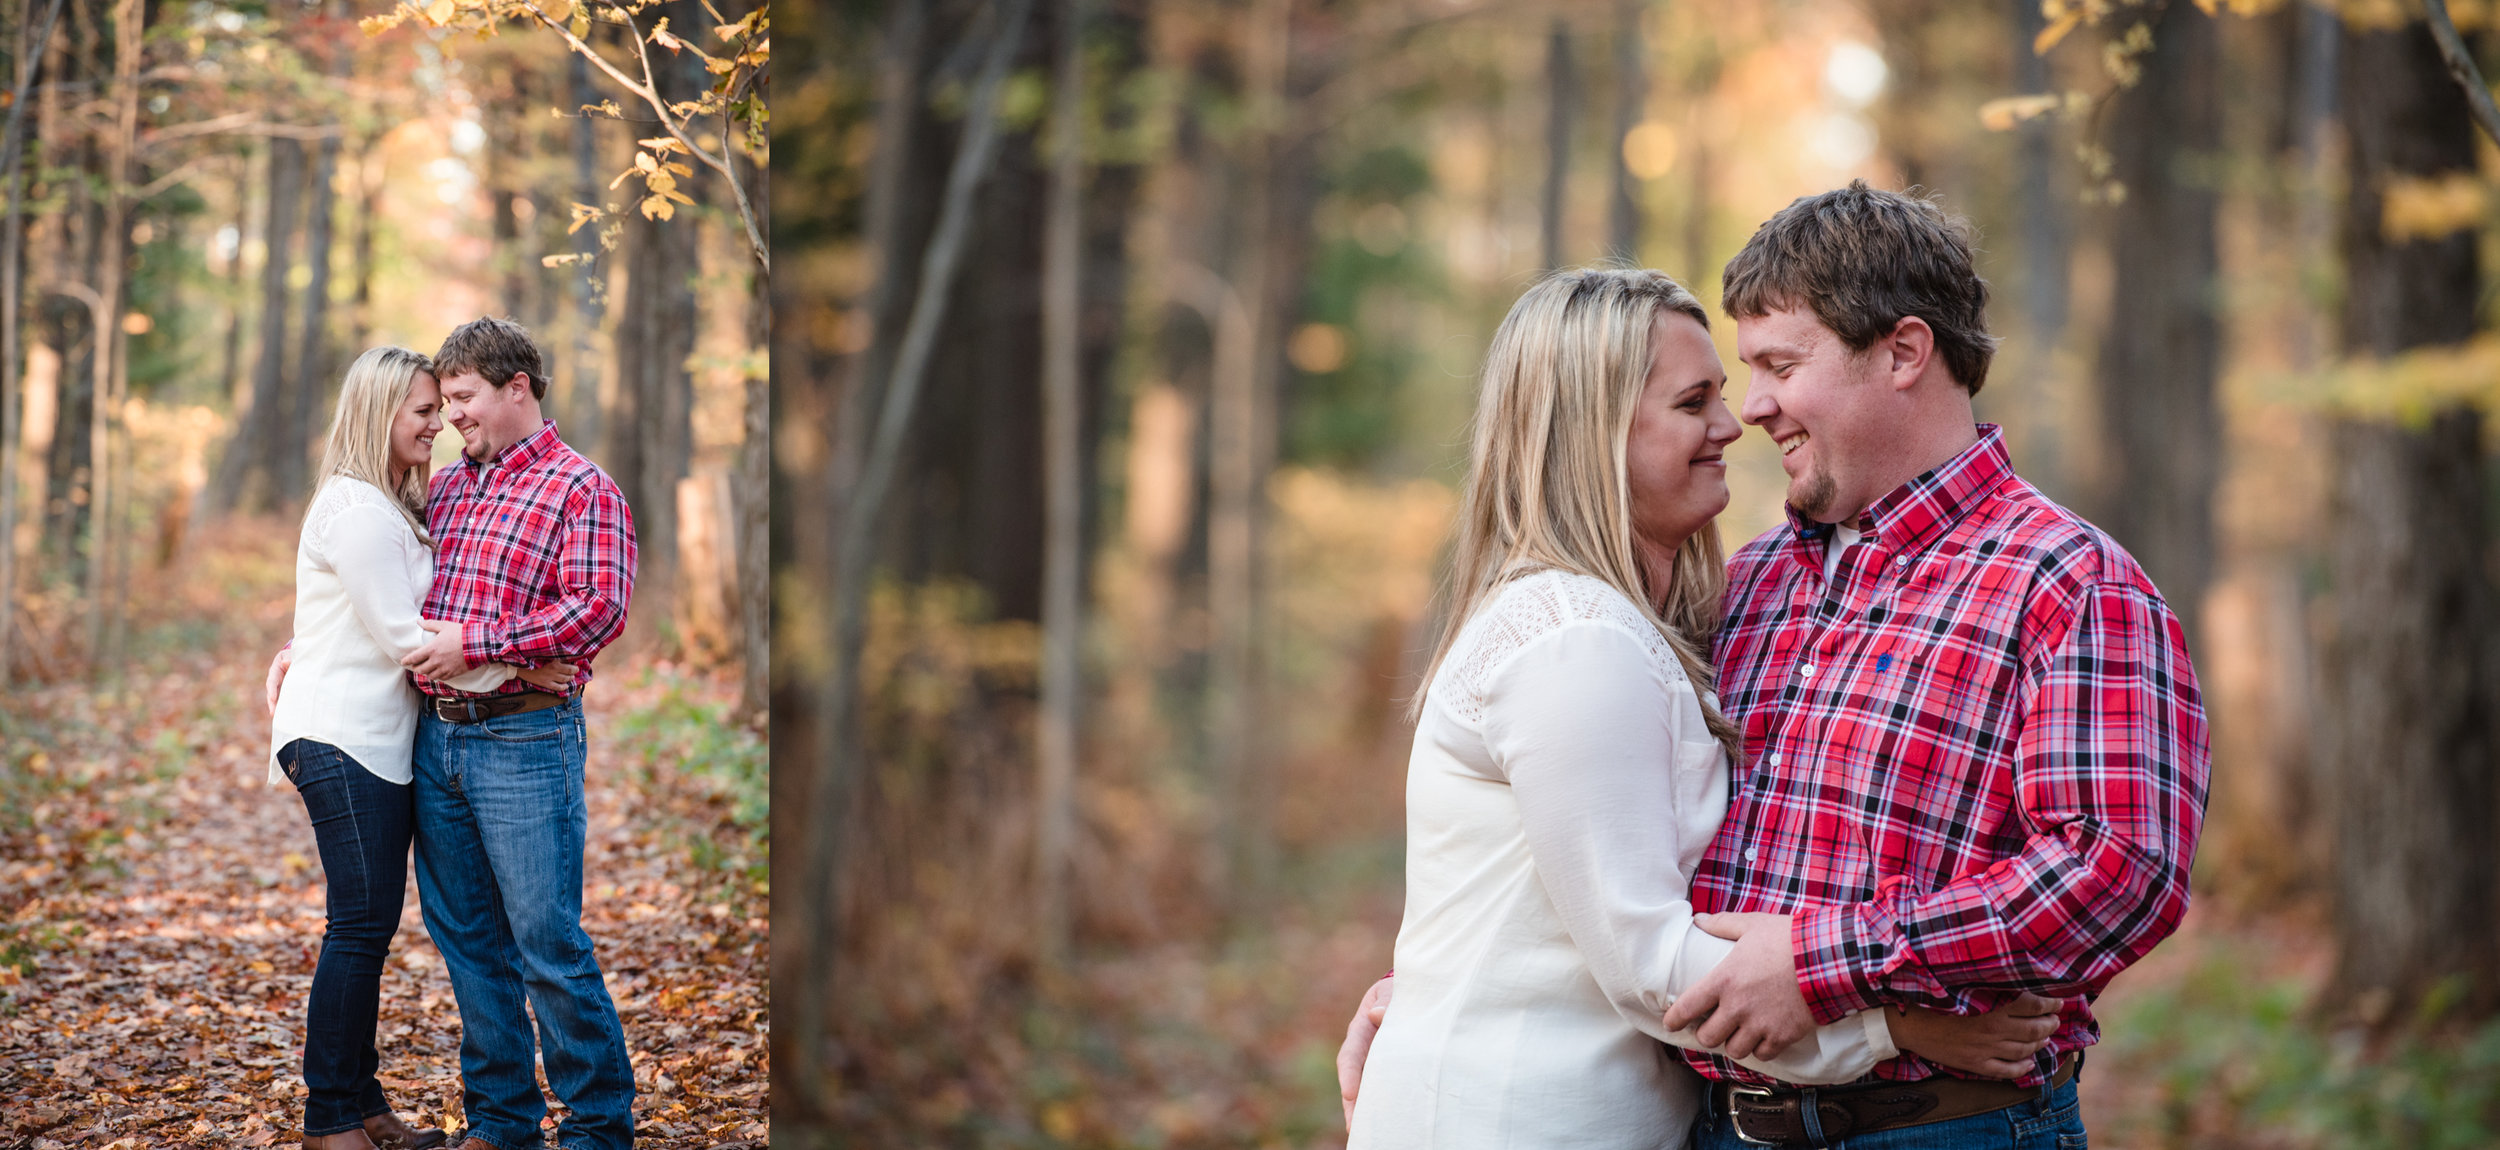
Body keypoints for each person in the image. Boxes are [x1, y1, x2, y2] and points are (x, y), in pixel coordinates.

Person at [1343, 185, 2210, 1149]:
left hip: (1936, 1130)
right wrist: (1426, 996)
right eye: (1729, 379)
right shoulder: (1750, 585)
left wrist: (1827, 963)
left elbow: (2117, 872)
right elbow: (1595, 844)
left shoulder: (2067, 582)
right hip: (1718, 1125)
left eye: (1777, 366)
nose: (1751, 410)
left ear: (1903, 353)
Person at [269, 318, 639, 1150]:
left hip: (523, 741)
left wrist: (488, 649)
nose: (454, 419)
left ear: (520, 389)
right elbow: (393, 596)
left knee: (547, 941)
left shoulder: (584, 489)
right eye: (442, 403)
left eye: (464, 399)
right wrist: (310, 644)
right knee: (468, 942)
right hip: (435, 740)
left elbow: (598, 609)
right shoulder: (450, 488)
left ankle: (596, 1127)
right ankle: (503, 1123)